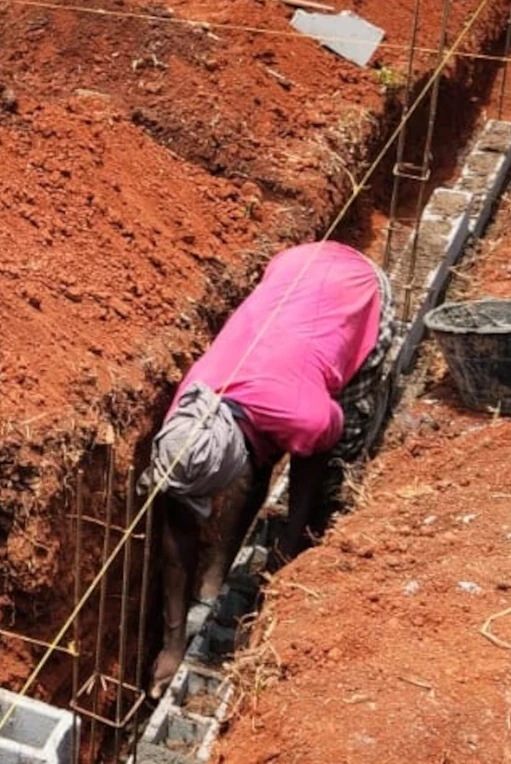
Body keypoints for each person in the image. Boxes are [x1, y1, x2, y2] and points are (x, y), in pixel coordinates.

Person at [141, 240, 400, 696]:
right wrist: (174, 642)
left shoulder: (307, 415)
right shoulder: (188, 412)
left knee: (340, 451)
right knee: (259, 454)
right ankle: (215, 575)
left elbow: (311, 457)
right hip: (293, 269)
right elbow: (177, 527)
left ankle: (300, 535)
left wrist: (286, 557)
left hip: (356, 290)